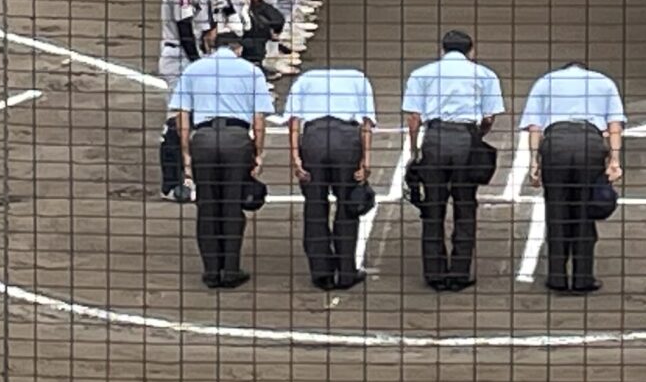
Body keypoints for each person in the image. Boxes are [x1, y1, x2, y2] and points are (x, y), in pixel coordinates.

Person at [167, 31, 273, 288]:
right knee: (232, 206)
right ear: (237, 49)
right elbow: (259, 119)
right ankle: (230, 269)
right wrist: (257, 153)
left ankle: (212, 271)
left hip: (203, 140)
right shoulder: (251, 71)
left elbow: (182, 116)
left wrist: (186, 153)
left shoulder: (194, 69)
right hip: (236, 141)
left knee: (207, 207)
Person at [400, 29, 504, 292]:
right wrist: (477, 137)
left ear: (442, 49)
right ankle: (459, 272)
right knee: (465, 206)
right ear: (471, 51)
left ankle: (434, 273)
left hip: (435, 138)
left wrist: (415, 151)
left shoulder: (422, 74)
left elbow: (413, 118)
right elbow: (490, 117)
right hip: (466, 140)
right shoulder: (484, 74)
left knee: (432, 208)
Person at [522, 61, 627, 293]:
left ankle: (557, 276)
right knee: (583, 211)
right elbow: (614, 125)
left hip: (555, 145)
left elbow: (534, 127)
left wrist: (533, 161)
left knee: (556, 211)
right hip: (588, 145)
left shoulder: (545, 82)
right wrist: (615, 159)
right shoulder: (604, 82)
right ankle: (583, 278)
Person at [283, 66, 379, 290]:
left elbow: (294, 122)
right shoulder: (358, 78)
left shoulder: (305, 79)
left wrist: (295, 156)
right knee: (348, 205)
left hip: (314, 140)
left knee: (314, 207)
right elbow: (367, 123)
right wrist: (366, 159)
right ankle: (346, 272)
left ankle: (321, 273)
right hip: (345, 140)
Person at [157, 0, 217, 199]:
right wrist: (197, 64)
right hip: (179, 59)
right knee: (175, 122)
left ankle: (188, 174)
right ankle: (171, 184)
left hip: (184, 56)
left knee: (188, 119)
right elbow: (184, 31)